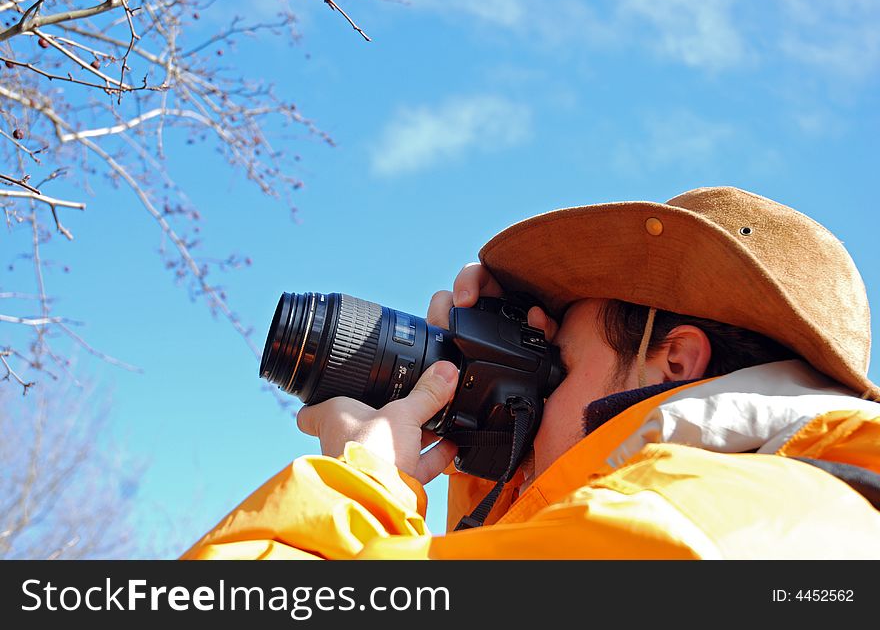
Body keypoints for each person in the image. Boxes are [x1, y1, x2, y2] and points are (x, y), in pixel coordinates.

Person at [182, 185, 880, 559]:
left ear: (674, 360)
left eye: (559, 364)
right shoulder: (803, 520)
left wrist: (357, 483)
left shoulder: (685, 520)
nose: (542, 388)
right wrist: (493, 467)